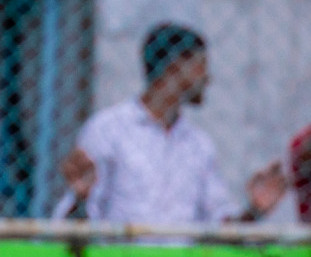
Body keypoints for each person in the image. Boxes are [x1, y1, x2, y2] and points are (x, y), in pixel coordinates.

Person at [56, 23, 286, 224]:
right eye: (201, 66)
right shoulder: (108, 130)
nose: (208, 78)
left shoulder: (198, 145)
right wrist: (80, 198)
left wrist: (254, 211)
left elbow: (220, 228)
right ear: (175, 69)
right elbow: (78, 227)